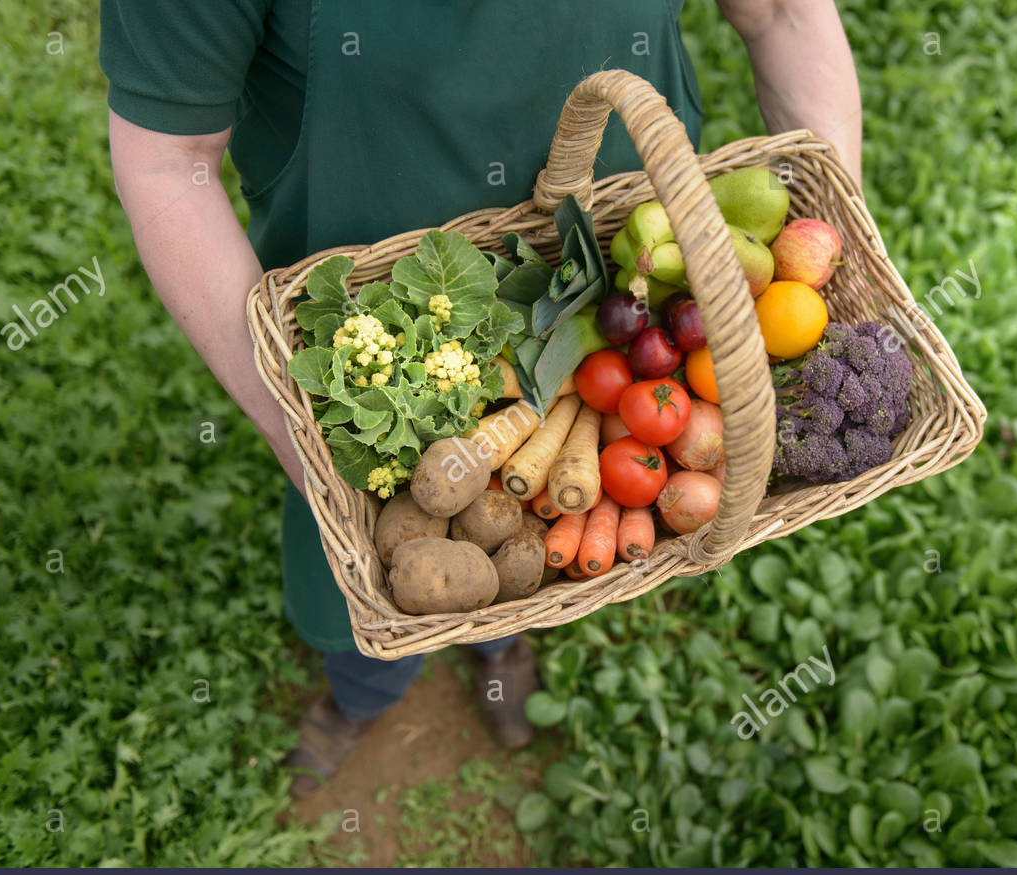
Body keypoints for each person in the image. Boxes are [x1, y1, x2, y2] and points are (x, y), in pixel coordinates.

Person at [100, 0, 862, 796]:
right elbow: (168, 161)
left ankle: (501, 635)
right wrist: (306, 444)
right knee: (375, 562)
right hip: (382, 330)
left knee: (534, 537)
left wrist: (826, 267)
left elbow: (781, 13)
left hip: (628, 295)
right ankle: (364, 690)